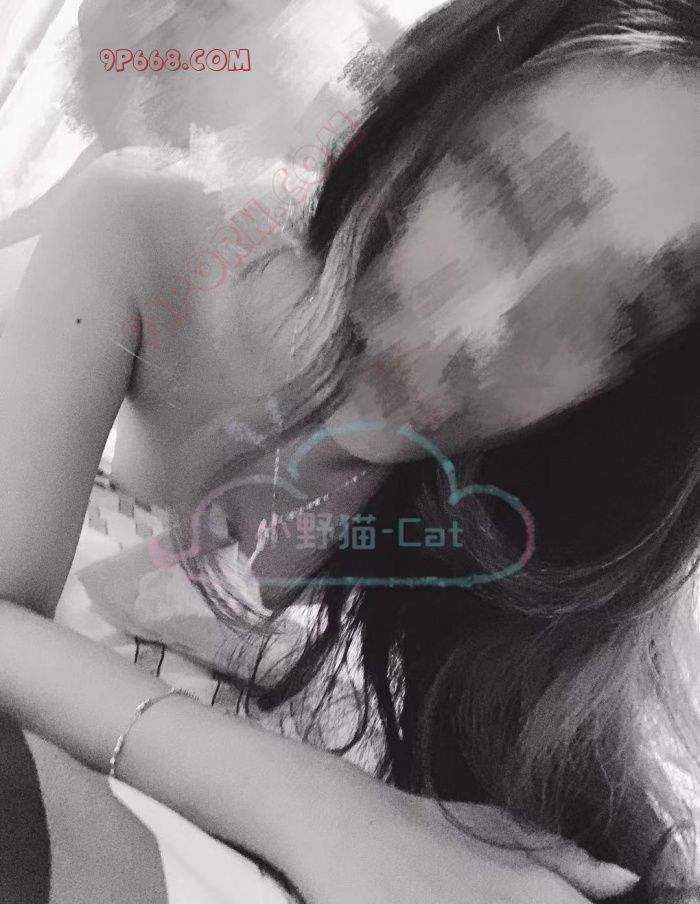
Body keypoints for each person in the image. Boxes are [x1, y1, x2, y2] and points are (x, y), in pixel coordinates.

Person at [0, 0, 699, 901]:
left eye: (615, 315)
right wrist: (316, 809)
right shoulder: (151, 230)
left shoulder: (538, 525)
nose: (484, 332)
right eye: (503, 192)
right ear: (429, 111)